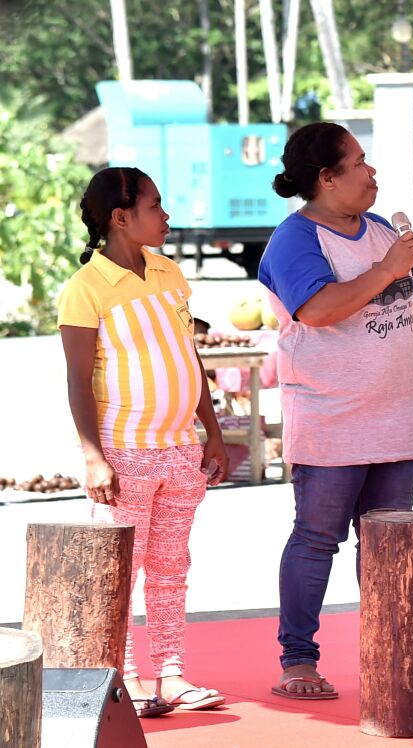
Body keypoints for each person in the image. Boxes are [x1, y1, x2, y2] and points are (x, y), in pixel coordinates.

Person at [259, 122, 413, 700]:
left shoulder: (381, 233)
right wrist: (387, 268)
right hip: (330, 419)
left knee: (389, 543)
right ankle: (298, 659)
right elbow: (319, 310)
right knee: (317, 539)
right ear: (326, 179)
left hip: (395, 417)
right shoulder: (294, 239)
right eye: (359, 162)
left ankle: (388, 651)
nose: (372, 173)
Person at [58, 167, 230, 717]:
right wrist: (93, 456)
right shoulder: (84, 290)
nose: (166, 215)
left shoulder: (170, 273)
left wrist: (214, 432)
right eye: (156, 206)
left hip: (181, 449)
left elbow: (189, 360)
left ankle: (172, 675)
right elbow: (78, 378)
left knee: (171, 565)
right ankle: (125, 680)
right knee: (121, 572)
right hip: (123, 452)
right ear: (121, 217)